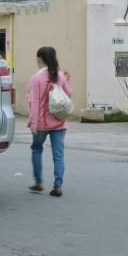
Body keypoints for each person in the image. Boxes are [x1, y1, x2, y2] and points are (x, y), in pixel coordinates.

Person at [27, 46, 73, 197]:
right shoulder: (60, 76)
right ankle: (58, 186)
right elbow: (69, 95)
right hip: (59, 122)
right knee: (58, 155)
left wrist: (34, 123)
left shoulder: (37, 78)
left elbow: (34, 102)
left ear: (40, 60)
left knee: (36, 149)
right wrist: (67, 81)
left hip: (41, 124)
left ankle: (38, 182)